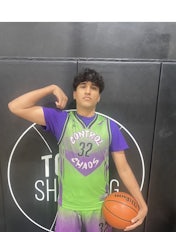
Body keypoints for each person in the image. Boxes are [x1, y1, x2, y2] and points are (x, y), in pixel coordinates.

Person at [8, 68, 148, 232]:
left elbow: (123, 168)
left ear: (99, 97)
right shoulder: (60, 119)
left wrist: (142, 205)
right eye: (83, 86)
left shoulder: (110, 126)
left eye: (94, 88)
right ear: (74, 94)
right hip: (68, 207)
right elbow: (15, 107)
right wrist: (51, 88)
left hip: (100, 208)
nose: (88, 91)